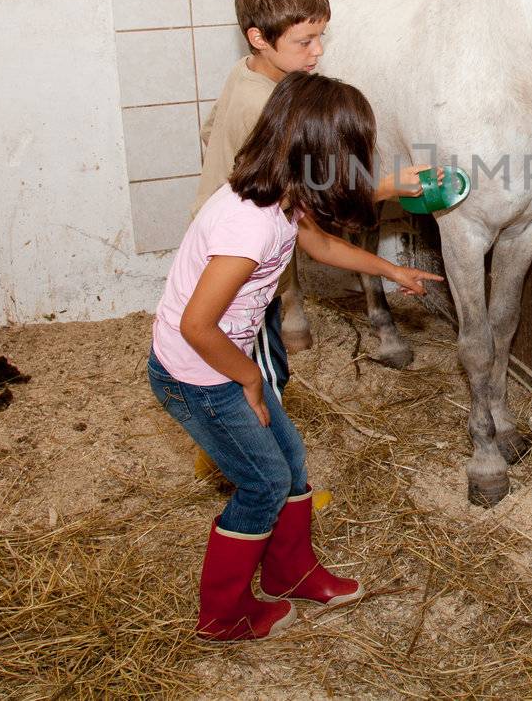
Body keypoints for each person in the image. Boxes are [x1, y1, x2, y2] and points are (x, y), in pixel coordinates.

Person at [149, 71, 443, 640]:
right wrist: (249, 381)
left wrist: (390, 270)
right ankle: (223, 614)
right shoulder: (249, 226)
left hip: (223, 363)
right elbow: (196, 324)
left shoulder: (282, 200)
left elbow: (318, 244)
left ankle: (290, 572)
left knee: (290, 462)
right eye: (353, 157)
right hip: (199, 374)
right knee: (261, 483)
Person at [190, 0, 421, 483]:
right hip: (244, 268)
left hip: (220, 234)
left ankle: (222, 454)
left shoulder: (246, 74)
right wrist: (389, 186)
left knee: (242, 370)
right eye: (305, 41)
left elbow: (210, 134)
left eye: (320, 36)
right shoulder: (273, 106)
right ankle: (272, 480)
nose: (318, 52)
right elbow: (315, 208)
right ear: (258, 37)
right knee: (262, 375)